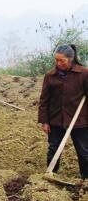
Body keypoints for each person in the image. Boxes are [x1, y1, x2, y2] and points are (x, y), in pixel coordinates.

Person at [38, 44, 88, 179]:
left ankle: (86, 177)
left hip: (79, 120)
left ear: (71, 59)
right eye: (56, 60)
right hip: (56, 120)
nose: (58, 63)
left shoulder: (83, 73)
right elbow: (44, 100)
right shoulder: (50, 75)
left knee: (83, 151)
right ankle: (52, 173)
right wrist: (44, 121)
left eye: (62, 61)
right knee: (53, 148)